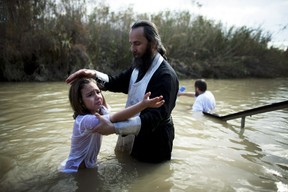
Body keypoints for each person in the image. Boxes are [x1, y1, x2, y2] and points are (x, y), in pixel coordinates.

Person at [66, 20, 179, 163]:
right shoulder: (139, 65)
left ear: (154, 44)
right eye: (131, 43)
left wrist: (114, 128)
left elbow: (154, 118)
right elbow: (116, 82)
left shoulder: (166, 76)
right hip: (128, 130)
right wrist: (93, 74)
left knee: (145, 181)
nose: (132, 49)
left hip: (154, 142)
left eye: (137, 43)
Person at [59, 77, 165, 173]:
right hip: (74, 170)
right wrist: (143, 105)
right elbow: (116, 117)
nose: (97, 97)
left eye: (98, 92)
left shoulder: (100, 111)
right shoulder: (84, 121)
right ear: (80, 102)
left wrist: (93, 82)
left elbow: (106, 106)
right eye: (90, 95)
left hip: (87, 166)